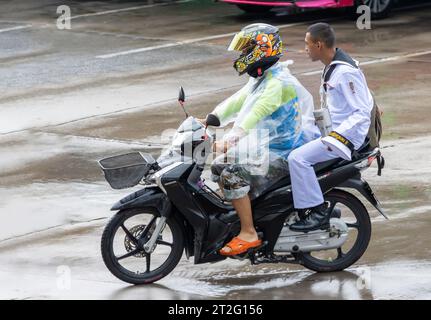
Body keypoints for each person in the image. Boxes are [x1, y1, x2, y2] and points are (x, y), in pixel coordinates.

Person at [200, 23, 319, 255]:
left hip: (283, 153)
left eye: (247, 50)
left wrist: (229, 140)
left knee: (231, 175)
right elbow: (239, 100)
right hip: (268, 147)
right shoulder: (265, 77)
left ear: (262, 49)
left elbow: (255, 113)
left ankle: (249, 232)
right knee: (218, 166)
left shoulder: (278, 84)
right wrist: (212, 118)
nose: (243, 55)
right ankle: (242, 215)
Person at [288, 23, 374, 232]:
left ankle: (317, 212)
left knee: (297, 159)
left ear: (319, 45)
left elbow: (362, 111)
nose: (305, 49)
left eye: (307, 44)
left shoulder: (344, 72)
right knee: (291, 142)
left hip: (344, 137)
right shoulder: (332, 66)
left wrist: (336, 135)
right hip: (332, 130)